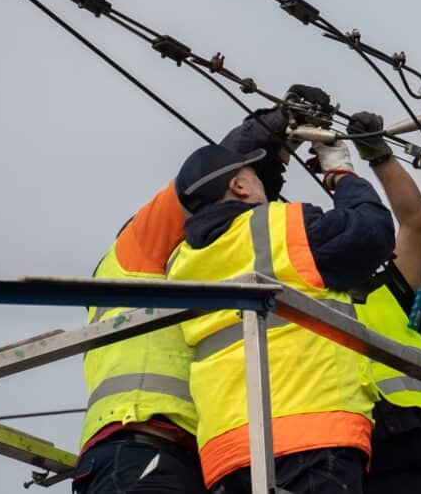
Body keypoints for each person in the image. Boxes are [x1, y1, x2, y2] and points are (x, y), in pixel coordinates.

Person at [166, 100, 396, 494]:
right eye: (254, 174)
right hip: (311, 435)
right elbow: (371, 232)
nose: (266, 184)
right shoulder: (278, 227)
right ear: (238, 186)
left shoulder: (180, 261)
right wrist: (340, 173)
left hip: (226, 453)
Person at [75, 103, 291, 494]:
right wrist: (268, 126)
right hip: (141, 442)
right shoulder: (139, 246)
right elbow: (200, 179)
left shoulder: (193, 269)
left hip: (176, 454)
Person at [347, 111, 421, 493]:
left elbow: (416, 222)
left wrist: (378, 156)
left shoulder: (389, 291)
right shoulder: (296, 299)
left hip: (415, 449)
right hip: (341, 455)